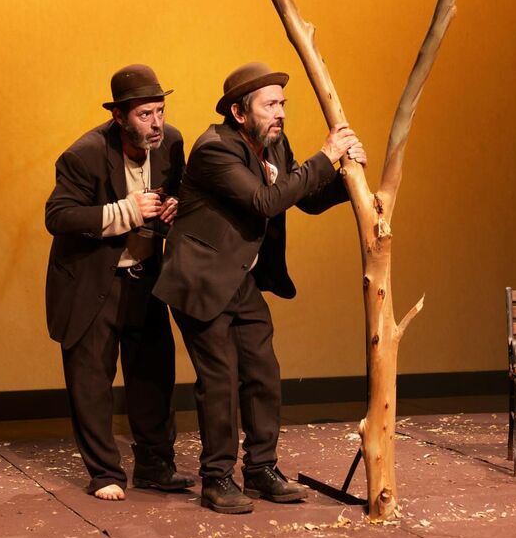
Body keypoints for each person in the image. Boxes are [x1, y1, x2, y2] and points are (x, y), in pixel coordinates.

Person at [153, 62, 366, 514]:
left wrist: (346, 180)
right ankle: (217, 478)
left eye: (282, 104)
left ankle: (261, 469)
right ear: (239, 112)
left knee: (262, 371)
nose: (281, 113)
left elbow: (304, 197)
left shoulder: (274, 144)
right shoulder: (214, 149)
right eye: (270, 105)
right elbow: (265, 201)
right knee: (220, 381)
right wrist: (325, 156)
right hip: (201, 279)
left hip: (238, 278)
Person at [45, 64, 194, 501]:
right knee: (92, 379)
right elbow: (59, 216)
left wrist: (175, 206)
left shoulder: (171, 143)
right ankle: (104, 472)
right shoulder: (85, 154)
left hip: (144, 275)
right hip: (94, 279)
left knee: (153, 372)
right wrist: (126, 210)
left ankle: (155, 465)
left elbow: (182, 190)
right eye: (145, 114)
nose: (156, 123)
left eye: (160, 111)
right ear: (119, 117)